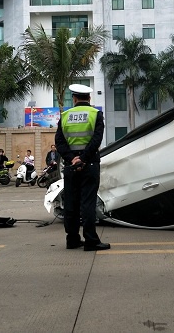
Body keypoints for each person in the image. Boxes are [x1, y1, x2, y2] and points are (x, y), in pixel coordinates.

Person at [55, 83, 109, 252]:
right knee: (88, 202)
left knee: (71, 202)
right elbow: (96, 140)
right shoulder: (95, 114)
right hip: (90, 163)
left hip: (71, 166)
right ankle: (91, 240)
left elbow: (59, 142)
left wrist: (73, 159)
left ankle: (72, 239)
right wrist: (83, 159)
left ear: (75, 98)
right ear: (89, 98)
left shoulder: (65, 116)